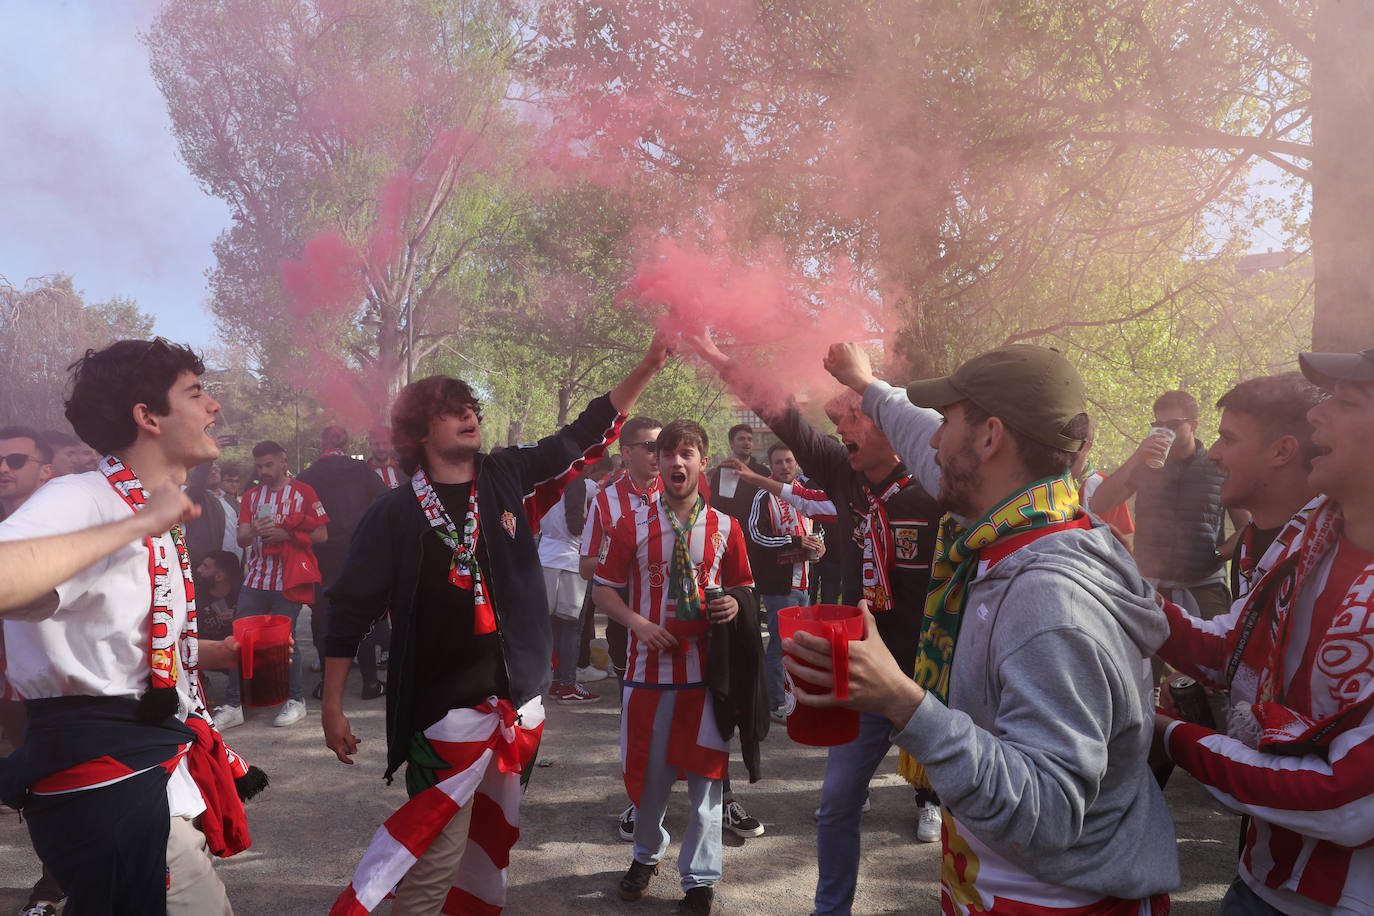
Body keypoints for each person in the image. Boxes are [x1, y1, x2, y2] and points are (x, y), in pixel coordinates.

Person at [806, 341, 1178, 913]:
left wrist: (904, 703)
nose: (930, 440)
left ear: (989, 437)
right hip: (997, 886)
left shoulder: (1046, 599)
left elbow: (1050, 808)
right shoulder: (1027, 518)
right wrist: (867, 384)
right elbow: (918, 436)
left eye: (947, 422)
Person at [322, 334, 672, 915]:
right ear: (417, 432)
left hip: (519, 705)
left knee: (486, 839)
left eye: (471, 409)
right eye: (450, 411)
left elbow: (583, 433)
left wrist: (647, 367)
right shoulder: (393, 512)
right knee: (436, 851)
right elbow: (348, 611)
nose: (468, 416)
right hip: (441, 711)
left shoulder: (507, 474)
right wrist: (332, 706)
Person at [0, 337, 264, 914]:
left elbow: (105, 629)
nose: (213, 407)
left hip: (147, 774)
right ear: (147, 418)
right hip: (109, 784)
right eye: (196, 393)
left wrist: (206, 652)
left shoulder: (150, 505)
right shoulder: (85, 496)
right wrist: (139, 521)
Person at [687, 330, 944, 916]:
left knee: (972, 806)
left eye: (857, 418)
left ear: (895, 428)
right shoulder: (843, 474)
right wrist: (717, 355)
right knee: (836, 805)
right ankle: (831, 911)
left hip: (936, 678)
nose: (841, 430)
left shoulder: (937, 489)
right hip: (863, 676)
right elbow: (780, 411)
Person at [1154, 348, 1374, 915]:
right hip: (1260, 880)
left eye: (1346, 401)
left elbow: (1342, 801)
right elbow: (1233, 649)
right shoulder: (1311, 530)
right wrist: (1115, 591)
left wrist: (1169, 736)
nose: (1318, 416)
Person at [594, 419, 754, 916]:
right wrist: (638, 624)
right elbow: (603, 590)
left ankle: (701, 880)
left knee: (707, 779)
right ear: (657, 463)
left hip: (705, 679)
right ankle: (646, 854)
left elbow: (743, 587)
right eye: (668, 454)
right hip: (646, 676)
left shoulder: (726, 526)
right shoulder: (630, 525)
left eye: (687, 454)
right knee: (647, 778)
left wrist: (731, 603)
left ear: (702, 461)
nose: (677, 463)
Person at [578, 415, 664, 842]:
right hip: (627, 621)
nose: (657, 454)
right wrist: (631, 561)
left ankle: (719, 797)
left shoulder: (682, 491)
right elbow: (586, 566)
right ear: (626, 453)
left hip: (680, 619)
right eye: (648, 446)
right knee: (636, 713)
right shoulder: (605, 501)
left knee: (699, 709)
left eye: (661, 446)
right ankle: (640, 801)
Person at [1091, 390, 1248, 620]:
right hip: (1149, 589)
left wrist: (1217, 554)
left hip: (1204, 589)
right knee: (1143, 657)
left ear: (1193, 425)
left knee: (1209, 655)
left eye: (1173, 424)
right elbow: (1099, 503)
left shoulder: (1218, 467)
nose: (1165, 431)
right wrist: (1137, 456)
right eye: (1159, 424)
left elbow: (1246, 527)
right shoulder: (1145, 467)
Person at [214, 440, 329, 729]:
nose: (263, 470)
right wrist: (256, 529)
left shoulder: (303, 492)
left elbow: (322, 535)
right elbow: (241, 538)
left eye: (269, 464)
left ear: (283, 461)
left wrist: (286, 535)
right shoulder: (251, 496)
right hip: (255, 580)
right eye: (259, 466)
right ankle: (233, 704)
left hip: (287, 581)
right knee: (240, 641)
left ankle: (296, 700)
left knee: (285, 641)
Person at [0, 426, 63, 916]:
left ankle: (52, 883)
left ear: (46, 470)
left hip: (44, 681)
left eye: (17, 460)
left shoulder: (63, 526)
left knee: (45, 781)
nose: (4, 468)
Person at [728, 445, 830, 719]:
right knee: (780, 644)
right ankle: (775, 702)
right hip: (778, 584)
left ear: (796, 463)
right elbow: (755, 536)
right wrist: (794, 541)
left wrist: (820, 546)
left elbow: (818, 527)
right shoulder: (763, 495)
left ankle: (795, 697)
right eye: (779, 462)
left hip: (806, 581)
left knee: (800, 644)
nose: (785, 466)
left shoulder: (805, 495)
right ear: (771, 466)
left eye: (789, 460)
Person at [1207, 373, 1324, 601]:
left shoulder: (1336, 547)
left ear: (1281, 451)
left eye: (1228, 440)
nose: (1212, 454)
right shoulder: (1247, 543)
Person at [298, 426, 388, 699]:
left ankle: (327, 684)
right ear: (347, 445)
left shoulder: (308, 476)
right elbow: (387, 498)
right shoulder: (361, 471)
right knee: (360, 617)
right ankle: (370, 683)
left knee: (324, 619)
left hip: (321, 556)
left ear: (322, 444)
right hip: (358, 553)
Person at [539, 458, 604, 705]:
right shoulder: (581, 484)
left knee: (554, 624)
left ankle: (557, 680)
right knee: (570, 626)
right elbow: (577, 525)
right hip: (570, 561)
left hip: (546, 557)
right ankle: (567, 684)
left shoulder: (546, 482)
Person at [1070, 417, 1135, 542]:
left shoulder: (1107, 487)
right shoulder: (1049, 483)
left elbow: (1122, 544)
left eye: (1072, 443)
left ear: (1088, 446)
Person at [704, 423, 767, 523]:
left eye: (749, 439)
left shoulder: (763, 472)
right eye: (741, 439)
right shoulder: (722, 472)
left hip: (760, 531)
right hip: (731, 530)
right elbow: (717, 506)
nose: (746, 443)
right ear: (731, 443)